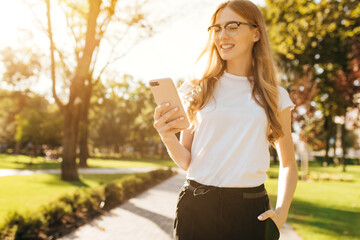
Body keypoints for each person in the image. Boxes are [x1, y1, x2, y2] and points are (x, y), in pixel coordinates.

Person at [152, 1, 298, 239]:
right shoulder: (196, 88)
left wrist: (281, 212)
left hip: (250, 210)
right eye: (217, 28)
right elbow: (187, 161)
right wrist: (167, 137)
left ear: (256, 33)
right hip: (196, 207)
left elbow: (288, 164)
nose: (222, 35)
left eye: (232, 26)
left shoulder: (275, 96)